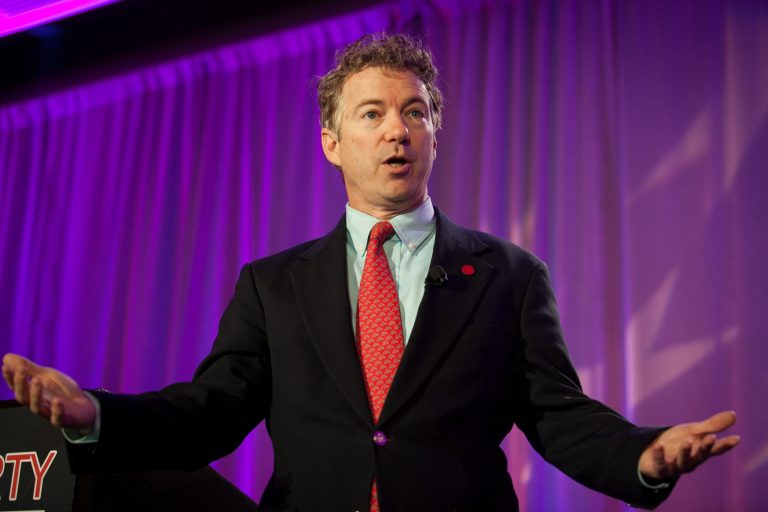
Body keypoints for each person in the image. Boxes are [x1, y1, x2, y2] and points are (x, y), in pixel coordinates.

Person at [2, 33, 738, 512]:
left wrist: (644, 454)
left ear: (434, 134)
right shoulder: (273, 283)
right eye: (374, 113)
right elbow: (210, 412)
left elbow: (557, 414)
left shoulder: (509, 274)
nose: (397, 129)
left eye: (415, 112)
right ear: (331, 142)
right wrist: (96, 415)